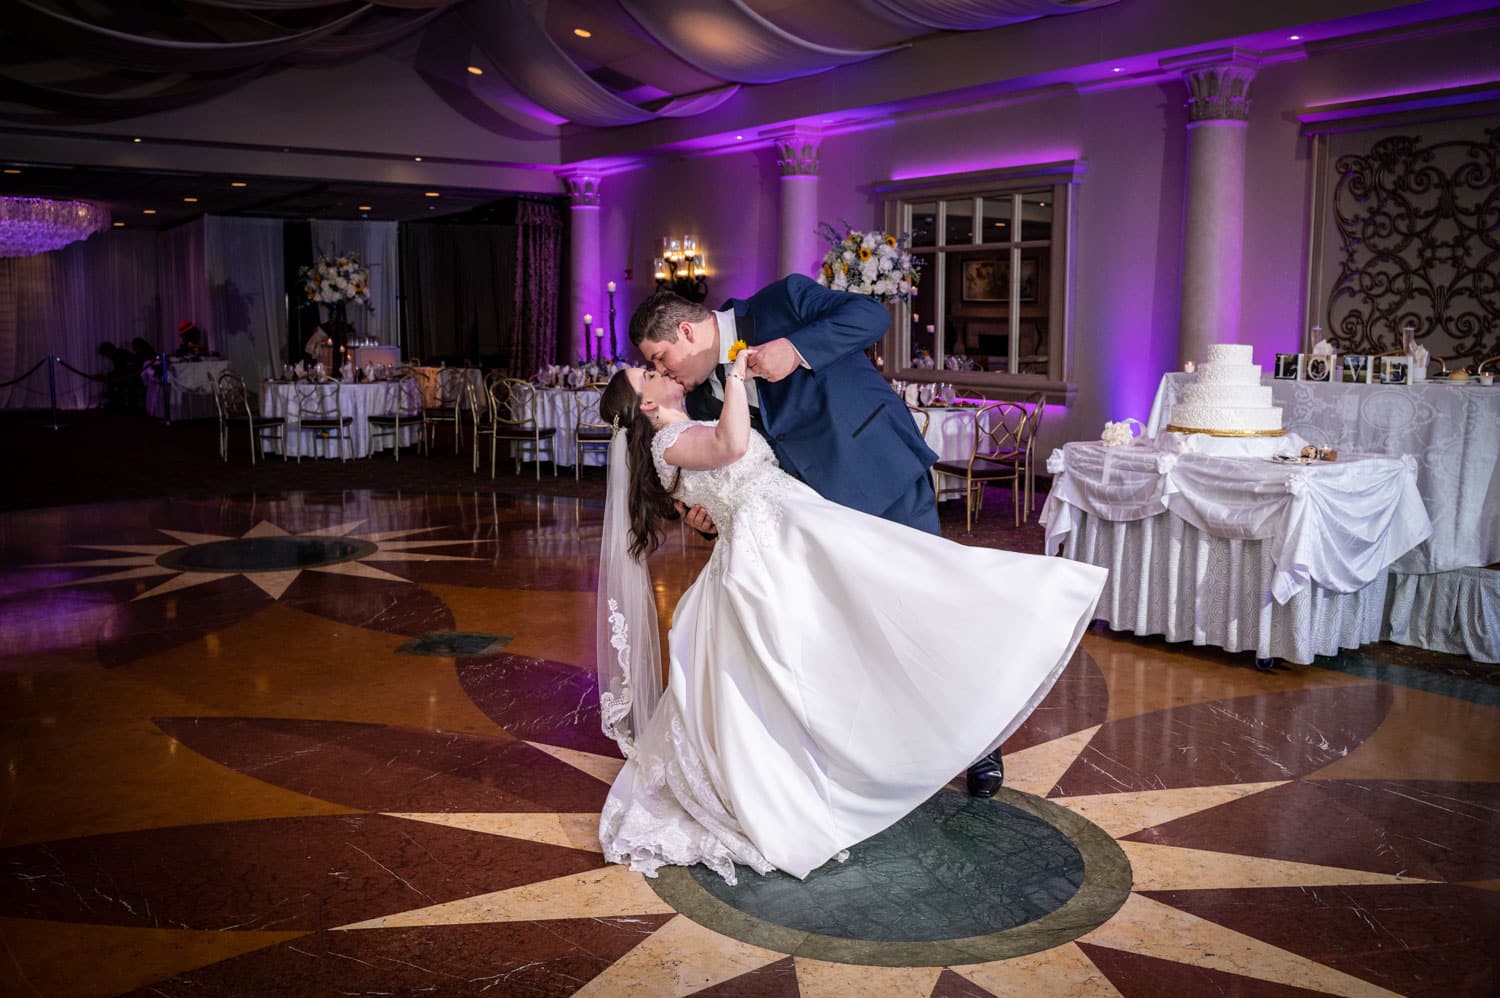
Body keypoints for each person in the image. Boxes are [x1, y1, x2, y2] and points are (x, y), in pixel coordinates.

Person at [593, 352, 1107, 884]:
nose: (659, 371)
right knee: (864, 614)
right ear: (646, 404)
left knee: (889, 591)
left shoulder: (684, 431)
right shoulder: (668, 440)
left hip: (792, 529)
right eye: (648, 374)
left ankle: (985, 653)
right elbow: (734, 446)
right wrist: (739, 377)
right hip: (772, 548)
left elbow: (719, 474)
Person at [630, 276, 1009, 795]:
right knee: (856, 634)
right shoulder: (696, 405)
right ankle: (891, 752)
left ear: (688, 332)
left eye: (661, 356)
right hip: (812, 522)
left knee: (931, 607)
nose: (664, 370)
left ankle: (982, 742)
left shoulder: (783, 302)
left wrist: (795, 349)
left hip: (880, 474)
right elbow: (739, 473)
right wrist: (709, 519)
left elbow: (872, 316)